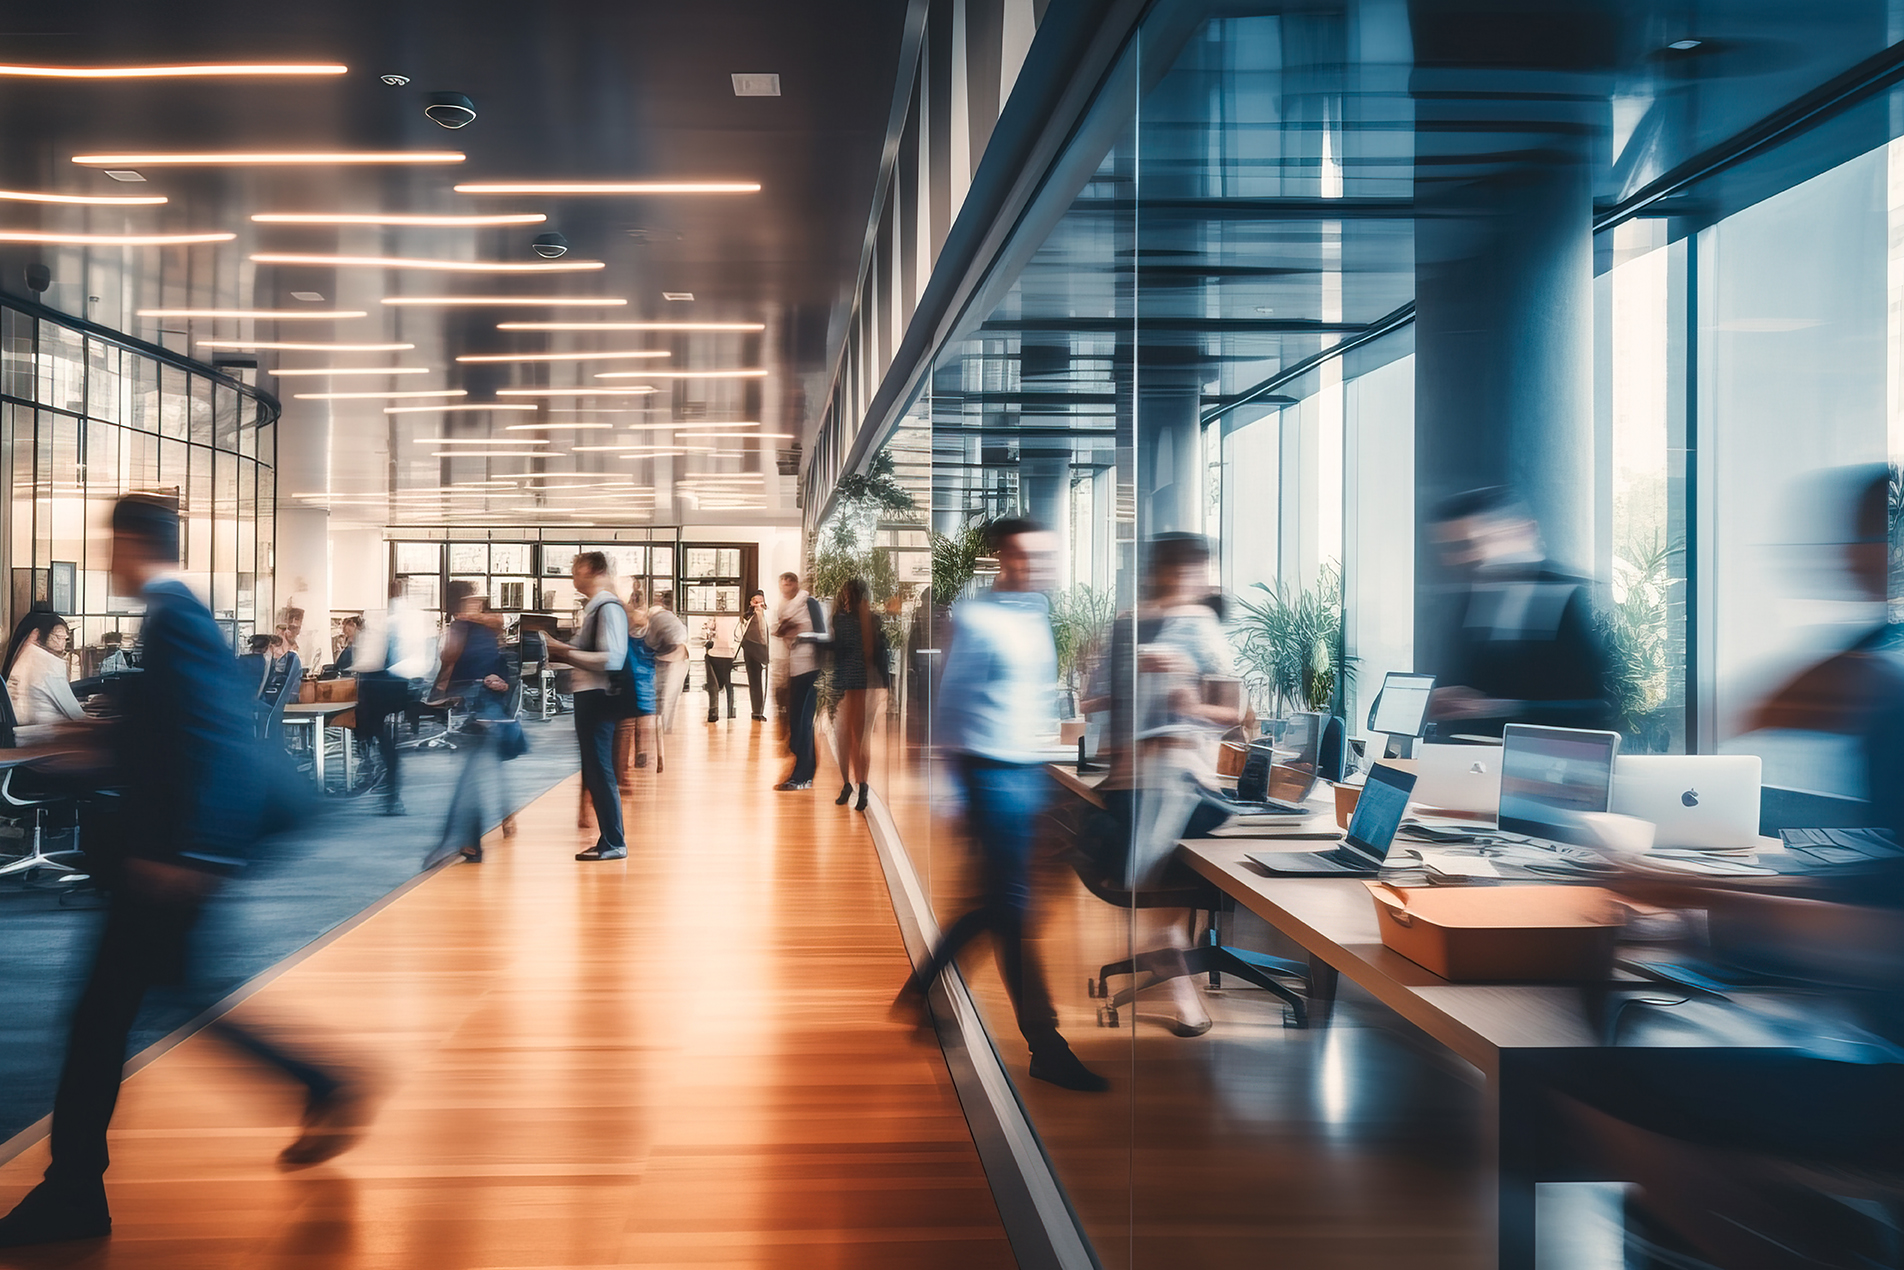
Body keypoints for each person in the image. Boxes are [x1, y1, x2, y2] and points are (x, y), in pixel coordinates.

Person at [0, 495, 366, 1249]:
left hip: (169, 860)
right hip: (172, 853)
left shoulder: (173, 620)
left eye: (112, 545)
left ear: (136, 544)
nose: (107, 560)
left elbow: (209, 739)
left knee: (102, 1017)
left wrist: (193, 853)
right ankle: (320, 1084)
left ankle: (73, 1192)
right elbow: (173, 732)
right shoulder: (179, 618)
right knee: (162, 1000)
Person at [893, 519, 1107, 1092]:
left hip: (1025, 773)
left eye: (1045, 555)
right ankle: (1045, 1043)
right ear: (1001, 559)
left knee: (999, 905)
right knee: (1009, 907)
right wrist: (951, 793)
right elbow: (953, 706)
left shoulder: (1036, 613)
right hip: (987, 775)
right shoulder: (978, 617)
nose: (1037, 566)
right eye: (1024, 556)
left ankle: (925, 987)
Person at [1093, 533, 1244, 1037]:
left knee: (1167, 858)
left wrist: (1190, 704)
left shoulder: (1202, 627)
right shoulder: (1125, 625)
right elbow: (1097, 703)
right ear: (1168, 571)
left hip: (1186, 777)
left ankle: (1173, 964)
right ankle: (1179, 981)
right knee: (1152, 859)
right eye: (1194, 572)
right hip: (1136, 781)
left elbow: (1233, 713)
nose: (1202, 583)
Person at [1425, 486, 1614, 735]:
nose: (1456, 560)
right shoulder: (1465, 600)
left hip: (1551, 760)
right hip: (1469, 761)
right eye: (1449, 549)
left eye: (1467, 544)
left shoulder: (1575, 594)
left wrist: (1497, 708)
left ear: (1519, 532)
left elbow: (1599, 707)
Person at [425, 583, 521, 866]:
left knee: (474, 773)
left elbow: (499, 633)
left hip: (486, 707)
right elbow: (448, 663)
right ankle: (476, 837)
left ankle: (465, 840)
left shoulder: (483, 625)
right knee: (480, 770)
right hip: (476, 706)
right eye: (470, 599)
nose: (476, 603)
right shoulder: (462, 629)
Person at [544, 552, 630, 862]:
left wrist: (564, 653)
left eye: (575, 570)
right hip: (589, 696)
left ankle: (614, 841)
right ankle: (609, 839)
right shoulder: (597, 608)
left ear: (591, 570)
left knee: (600, 769)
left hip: (598, 697)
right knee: (594, 770)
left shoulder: (607, 608)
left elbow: (613, 658)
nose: (572, 576)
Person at [352, 582, 430, 816]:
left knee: (378, 736)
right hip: (395, 683)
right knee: (383, 740)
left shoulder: (394, 618)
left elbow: (378, 655)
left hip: (384, 683)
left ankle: (375, 773)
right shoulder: (407, 617)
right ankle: (386, 787)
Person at [829, 577, 888, 811]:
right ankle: (860, 785)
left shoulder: (841, 621)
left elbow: (840, 646)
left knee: (848, 736)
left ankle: (853, 784)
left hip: (851, 681)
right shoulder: (872, 619)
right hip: (867, 681)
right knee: (858, 737)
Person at [772, 572, 826, 791]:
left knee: (803, 725)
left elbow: (821, 634)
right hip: (794, 670)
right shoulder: (783, 608)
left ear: (796, 584)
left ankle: (802, 776)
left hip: (811, 669)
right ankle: (803, 773)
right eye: (783, 581)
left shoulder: (808, 602)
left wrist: (799, 635)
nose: (786, 585)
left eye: (790, 581)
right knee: (796, 725)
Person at [4, 610, 86, 724]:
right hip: (44, 733)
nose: (62, 644)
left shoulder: (23, 657)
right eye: (57, 637)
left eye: (65, 639)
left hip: (24, 730)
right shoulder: (45, 661)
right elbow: (75, 714)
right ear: (36, 634)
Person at [647, 589, 689, 735]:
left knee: (662, 697)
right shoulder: (667, 617)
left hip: (671, 658)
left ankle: (661, 728)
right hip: (674, 658)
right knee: (667, 698)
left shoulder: (656, 618)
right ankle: (663, 728)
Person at [737, 589, 770, 721]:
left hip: (762, 649)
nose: (758, 605)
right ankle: (756, 710)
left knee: (760, 680)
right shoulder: (747, 616)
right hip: (750, 648)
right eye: (755, 602)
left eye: (760, 602)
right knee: (754, 680)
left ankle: (759, 709)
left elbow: (765, 633)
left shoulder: (765, 615)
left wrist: (760, 613)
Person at [701, 615, 736, 722]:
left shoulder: (715, 617)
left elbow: (705, 633)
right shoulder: (736, 617)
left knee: (712, 683)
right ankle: (730, 709)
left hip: (715, 653)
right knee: (729, 683)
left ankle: (713, 709)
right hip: (731, 653)